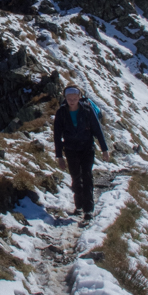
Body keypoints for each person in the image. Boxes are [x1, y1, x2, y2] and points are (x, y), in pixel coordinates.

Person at [53, 85, 109, 220]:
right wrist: (59, 156)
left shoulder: (88, 110)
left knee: (87, 176)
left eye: (74, 98)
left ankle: (88, 209)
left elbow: (97, 130)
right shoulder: (61, 113)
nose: (72, 100)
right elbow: (57, 135)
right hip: (71, 150)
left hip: (87, 148)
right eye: (69, 98)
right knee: (76, 178)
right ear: (65, 98)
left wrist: (104, 149)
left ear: (79, 97)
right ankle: (78, 205)